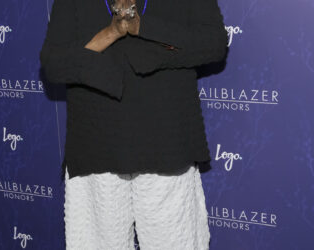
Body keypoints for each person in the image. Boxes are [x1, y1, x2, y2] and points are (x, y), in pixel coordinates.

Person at [39, 0, 228, 249]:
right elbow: (53, 63)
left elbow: (213, 44)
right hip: (96, 140)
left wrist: (143, 28)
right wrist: (112, 32)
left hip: (165, 138)